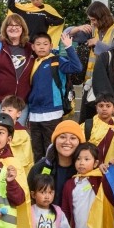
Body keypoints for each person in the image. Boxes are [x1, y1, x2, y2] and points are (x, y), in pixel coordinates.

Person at [26, 31, 83, 160]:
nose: (41, 47)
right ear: (33, 47)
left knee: (51, 149)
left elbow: (77, 67)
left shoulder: (57, 61)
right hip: (34, 114)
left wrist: (69, 47)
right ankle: (39, 177)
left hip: (53, 112)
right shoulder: (31, 63)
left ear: (51, 46)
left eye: (45, 44)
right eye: (38, 44)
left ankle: (51, 177)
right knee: (37, 150)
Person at [69, 1, 114, 122]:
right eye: (91, 20)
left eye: (94, 20)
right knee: (87, 119)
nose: (92, 23)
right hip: (90, 81)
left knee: (106, 119)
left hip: (108, 81)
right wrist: (78, 28)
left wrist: (97, 43)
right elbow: (67, 34)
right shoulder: (92, 29)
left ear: (102, 17)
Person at [0, 14, 33, 113]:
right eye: (10, 25)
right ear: (5, 29)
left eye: (17, 25)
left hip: (21, 105)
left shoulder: (30, 49)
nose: (14, 28)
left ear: (23, 29)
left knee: (19, 129)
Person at [0, 96, 34, 175]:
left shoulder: (22, 132)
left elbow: (27, 157)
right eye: (3, 110)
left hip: (18, 169)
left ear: (18, 113)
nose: (5, 113)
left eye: (10, 110)